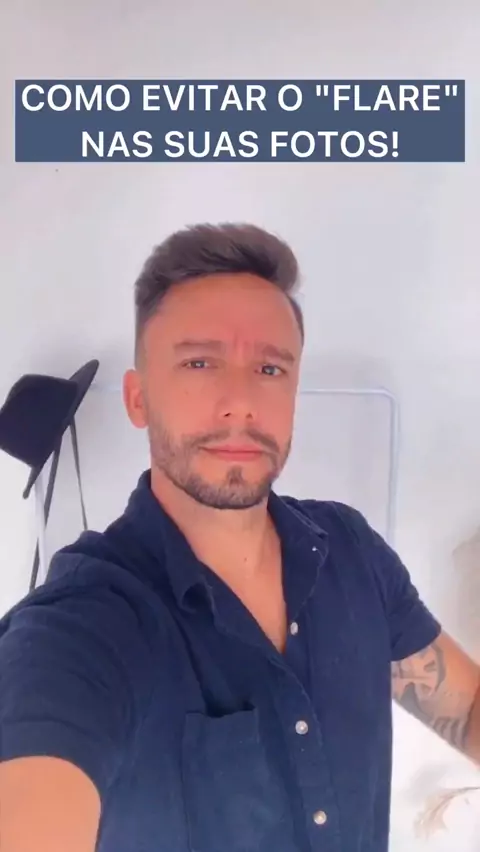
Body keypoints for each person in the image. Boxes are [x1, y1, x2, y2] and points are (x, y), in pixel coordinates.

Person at [0, 222, 479, 852]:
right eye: (199, 363)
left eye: (270, 368)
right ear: (139, 399)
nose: (240, 402)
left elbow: (465, 708)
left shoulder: (352, 552)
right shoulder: (82, 626)